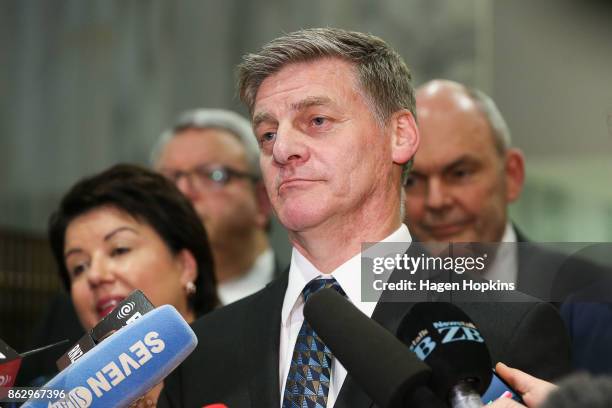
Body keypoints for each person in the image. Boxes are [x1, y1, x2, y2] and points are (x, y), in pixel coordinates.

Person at [158, 28, 570, 408]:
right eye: (267, 133)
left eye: (317, 121)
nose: (282, 149)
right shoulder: (202, 351)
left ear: (401, 135)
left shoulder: (506, 328)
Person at [402, 80, 601, 300]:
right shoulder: (374, 303)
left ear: (511, 175)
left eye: (460, 173)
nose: (436, 201)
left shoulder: (593, 295)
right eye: (412, 181)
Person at [46, 164, 218, 406]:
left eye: (119, 249)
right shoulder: (55, 399)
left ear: (185, 266)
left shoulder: (249, 366)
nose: (95, 275)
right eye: (79, 267)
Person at [152, 109, 283, 305]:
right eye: (170, 179)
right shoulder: (142, 313)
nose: (183, 192)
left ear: (263, 199)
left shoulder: (304, 300)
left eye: (213, 175)